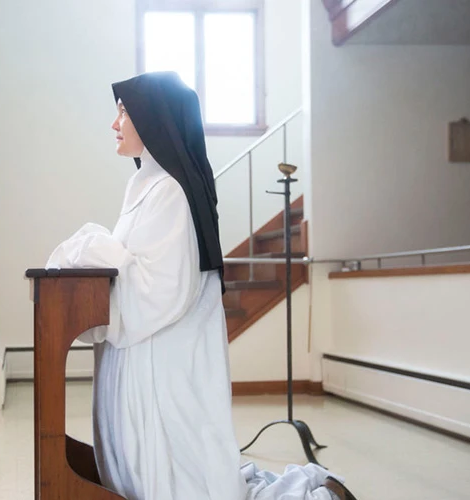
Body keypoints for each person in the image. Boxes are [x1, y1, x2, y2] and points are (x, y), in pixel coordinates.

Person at [46, 72, 357, 500]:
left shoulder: (171, 191)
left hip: (164, 361)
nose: (114, 123)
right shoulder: (146, 184)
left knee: (180, 480)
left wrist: (95, 247)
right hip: (142, 356)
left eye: (123, 112)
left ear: (153, 119)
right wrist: (100, 252)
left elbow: (163, 288)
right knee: (150, 472)